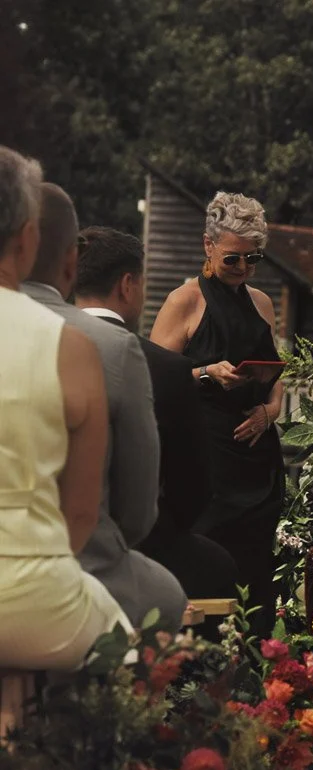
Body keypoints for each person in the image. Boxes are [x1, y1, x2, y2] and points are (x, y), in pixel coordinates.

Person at [21, 184, 185, 629]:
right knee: (168, 599)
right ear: (71, 263)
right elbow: (136, 510)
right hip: (69, 567)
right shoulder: (111, 348)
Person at [0, 147, 130, 668]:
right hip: (35, 597)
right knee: (135, 664)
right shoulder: (73, 348)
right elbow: (80, 513)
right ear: (28, 236)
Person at [76, 227, 240, 600]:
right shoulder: (165, 368)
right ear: (128, 285)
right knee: (220, 568)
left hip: (43, 537)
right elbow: (193, 487)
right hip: (133, 542)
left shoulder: (40, 344)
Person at [150, 193, 285, 637]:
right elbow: (154, 377)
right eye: (233, 260)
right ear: (208, 246)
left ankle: (257, 683)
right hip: (209, 462)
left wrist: (269, 412)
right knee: (210, 577)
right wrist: (206, 372)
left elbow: (277, 377)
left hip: (258, 461)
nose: (244, 269)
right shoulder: (183, 301)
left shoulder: (263, 303)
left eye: (253, 260)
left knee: (258, 578)